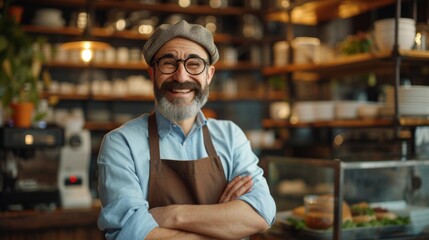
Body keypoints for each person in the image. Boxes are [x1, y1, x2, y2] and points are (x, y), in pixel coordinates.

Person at [97, 20, 276, 240]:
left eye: (194, 64)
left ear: (209, 75)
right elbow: (129, 234)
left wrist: (172, 215)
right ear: (152, 73)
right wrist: (224, 226)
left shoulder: (231, 136)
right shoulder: (121, 143)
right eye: (169, 63)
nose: (181, 77)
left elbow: (262, 213)